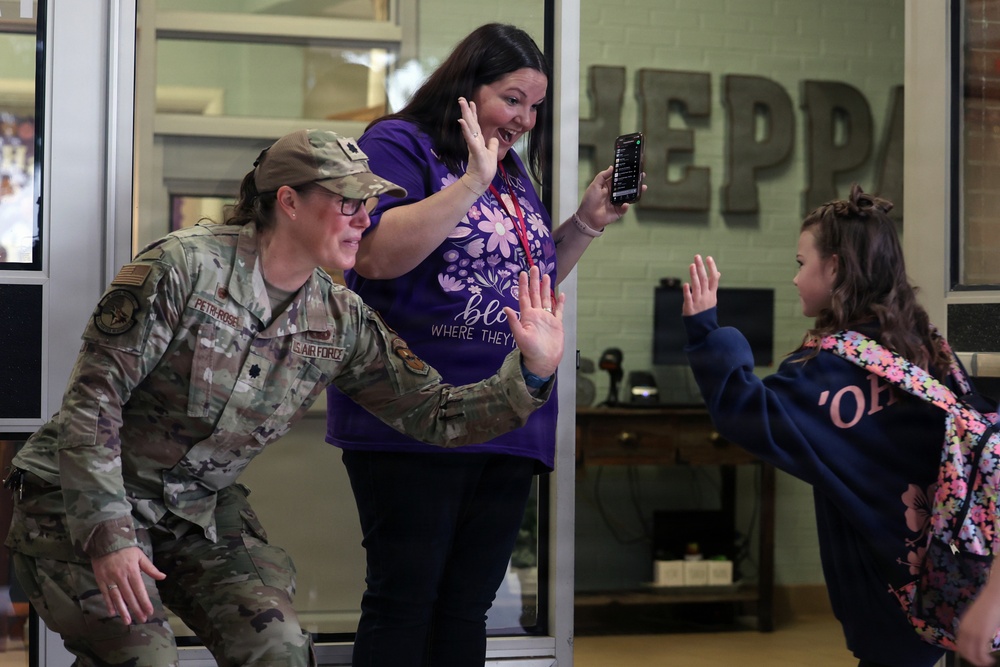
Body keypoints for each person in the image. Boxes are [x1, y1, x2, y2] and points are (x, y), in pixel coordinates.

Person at [2, 128, 565, 667]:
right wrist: (109, 537)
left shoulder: (340, 318)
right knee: (141, 656)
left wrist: (532, 372)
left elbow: (435, 414)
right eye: (349, 202)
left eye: (369, 204)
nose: (365, 220)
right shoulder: (182, 268)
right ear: (289, 202)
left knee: (279, 648)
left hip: (193, 515)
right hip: (75, 501)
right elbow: (90, 407)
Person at [324, 22, 638, 667]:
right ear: (468, 87)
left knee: (469, 606)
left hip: (508, 410)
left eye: (535, 106)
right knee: (405, 599)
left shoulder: (511, 168)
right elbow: (374, 255)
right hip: (415, 412)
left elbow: (529, 280)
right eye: (513, 98)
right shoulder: (398, 143)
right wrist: (469, 181)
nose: (524, 118)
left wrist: (584, 223)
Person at [681, 184, 985, 667]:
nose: (797, 278)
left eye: (802, 263)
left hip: (888, 600)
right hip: (954, 577)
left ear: (836, 268)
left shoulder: (837, 365)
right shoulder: (926, 345)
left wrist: (708, 330)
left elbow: (748, 413)